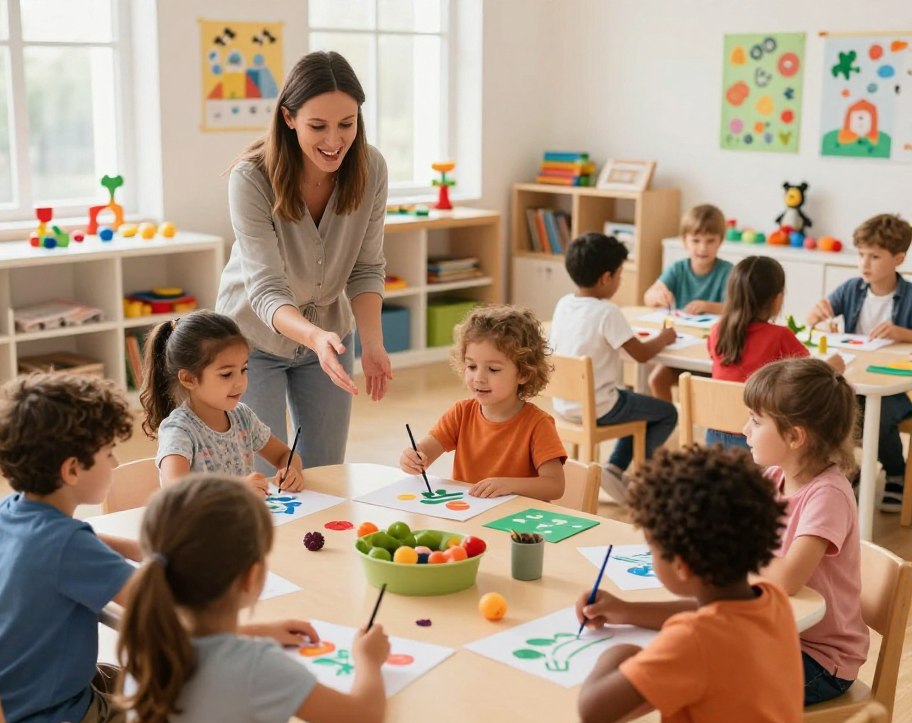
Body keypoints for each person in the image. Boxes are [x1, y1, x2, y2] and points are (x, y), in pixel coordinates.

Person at [118, 475, 389, 723]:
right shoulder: (258, 668)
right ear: (253, 576)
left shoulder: (146, 640)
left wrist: (254, 631)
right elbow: (364, 722)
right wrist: (368, 660)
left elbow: (205, 652)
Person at [217, 50, 393, 471]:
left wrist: (372, 343)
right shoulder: (251, 177)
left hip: (331, 338)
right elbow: (265, 289)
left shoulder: (371, 168)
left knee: (326, 470)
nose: (334, 141)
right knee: (269, 474)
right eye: (318, 126)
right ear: (288, 118)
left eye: (346, 125)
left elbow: (366, 268)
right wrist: (313, 337)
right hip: (253, 340)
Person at [575, 446, 804, 723]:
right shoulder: (771, 599)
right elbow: (705, 616)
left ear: (681, 566)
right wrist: (626, 609)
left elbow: (594, 710)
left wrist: (618, 654)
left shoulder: (692, 642)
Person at [0, 372, 139, 723]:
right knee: (181, 720)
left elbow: (78, 540)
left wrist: (137, 546)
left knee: (127, 680)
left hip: (5, 713)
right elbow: (152, 595)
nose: (115, 462)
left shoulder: (11, 512)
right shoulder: (66, 546)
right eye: (109, 451)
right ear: (72, 470)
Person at [744, 358, 869, 705]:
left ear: (795, 436)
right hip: (779, 630)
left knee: (720, 681)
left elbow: (786, 579)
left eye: (756, 421)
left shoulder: (827, 495)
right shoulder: (774, 478)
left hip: (820, 657)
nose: (744, 430)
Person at [549, 232, 677, 505]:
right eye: (619, 275)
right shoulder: (607, 312)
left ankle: (615, 469)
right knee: (666, 412)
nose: (619, 281)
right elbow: (641, 355)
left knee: (639, 405)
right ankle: (629, 473)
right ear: (606, 278)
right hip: (601, 405)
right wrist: (665, 338)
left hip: (564, 404)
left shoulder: (564, 304)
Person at [400, 305, 566, 501]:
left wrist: (508, 485)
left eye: (493, 369)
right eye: (471, 366)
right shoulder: (461, 413)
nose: (479, 378)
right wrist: (413, 458)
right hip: (470, 517)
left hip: (516, 523)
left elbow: (554, 486)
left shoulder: (538, 424)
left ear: (523, 373)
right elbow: (424, 452)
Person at [807, 213, 912, 512]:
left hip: (896, 389)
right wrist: (815, 318)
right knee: (837, 414)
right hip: (854, 381)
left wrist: (903, 333)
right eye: (862, 254)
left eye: (875, 256)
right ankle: (851, 470)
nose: (865, 264)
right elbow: (812, 321)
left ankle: (895, 471)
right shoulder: (851, 289)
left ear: (898, 259)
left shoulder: (911, 296)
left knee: (876, 419)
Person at [140, 309, 304, 498]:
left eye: (243, 369)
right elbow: (176, 493)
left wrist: (290, 470)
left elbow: (284, 455)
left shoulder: (243, 417)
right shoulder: (179, 430)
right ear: (189, 378)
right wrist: (234, 489)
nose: (240, 382)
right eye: (226, 374)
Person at [707, 255, 843, 449]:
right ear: (778, 299)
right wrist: (831, 367)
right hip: (758, 439)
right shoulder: (780, 336)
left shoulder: (717, 331)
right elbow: (809, 377)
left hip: (714, 436)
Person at [643, 204, 732, 401]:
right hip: (683, 347)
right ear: (685, 241)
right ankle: (667, 423)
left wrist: (708, 306)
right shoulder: (678, 269)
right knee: (656, 379)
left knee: (711, 390)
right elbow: (648, 296)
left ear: (720, 241)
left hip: (712, 354)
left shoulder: (728, 271)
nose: (702, 247)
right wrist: (658, 296)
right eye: (696, 240)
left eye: (710, 241)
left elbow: (736, 308)